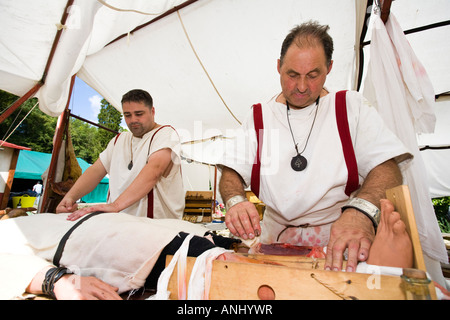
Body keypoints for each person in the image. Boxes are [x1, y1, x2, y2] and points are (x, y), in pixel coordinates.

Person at [217, 21, 412, 274]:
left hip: (338, 239)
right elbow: (231, 171)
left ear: (329, 68)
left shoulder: (349, 107)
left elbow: (387, 167)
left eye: (312, 75)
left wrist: (361, 212)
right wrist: (235, 200)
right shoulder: (259, 116)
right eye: (292, 75)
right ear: (278, 67)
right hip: (274, 242)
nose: (301, 87)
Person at [0, 199, 415, 300]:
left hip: (152, 234)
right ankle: (373, 285)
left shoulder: (25, 220)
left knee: (225, 262)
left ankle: (368, 282)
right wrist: (58, 281)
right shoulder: (10, 230)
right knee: (223, 278)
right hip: (132, 253)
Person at [56, 89, 185, 221]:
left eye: (139, 114)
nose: (133, 120)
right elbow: (95, 171)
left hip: (158, 227)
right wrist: (69, 198)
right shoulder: (119, 140)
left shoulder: (166, 134)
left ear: (152, 112)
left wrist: (115, 205)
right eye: (127, 115)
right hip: (119, 224)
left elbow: (155, 170)